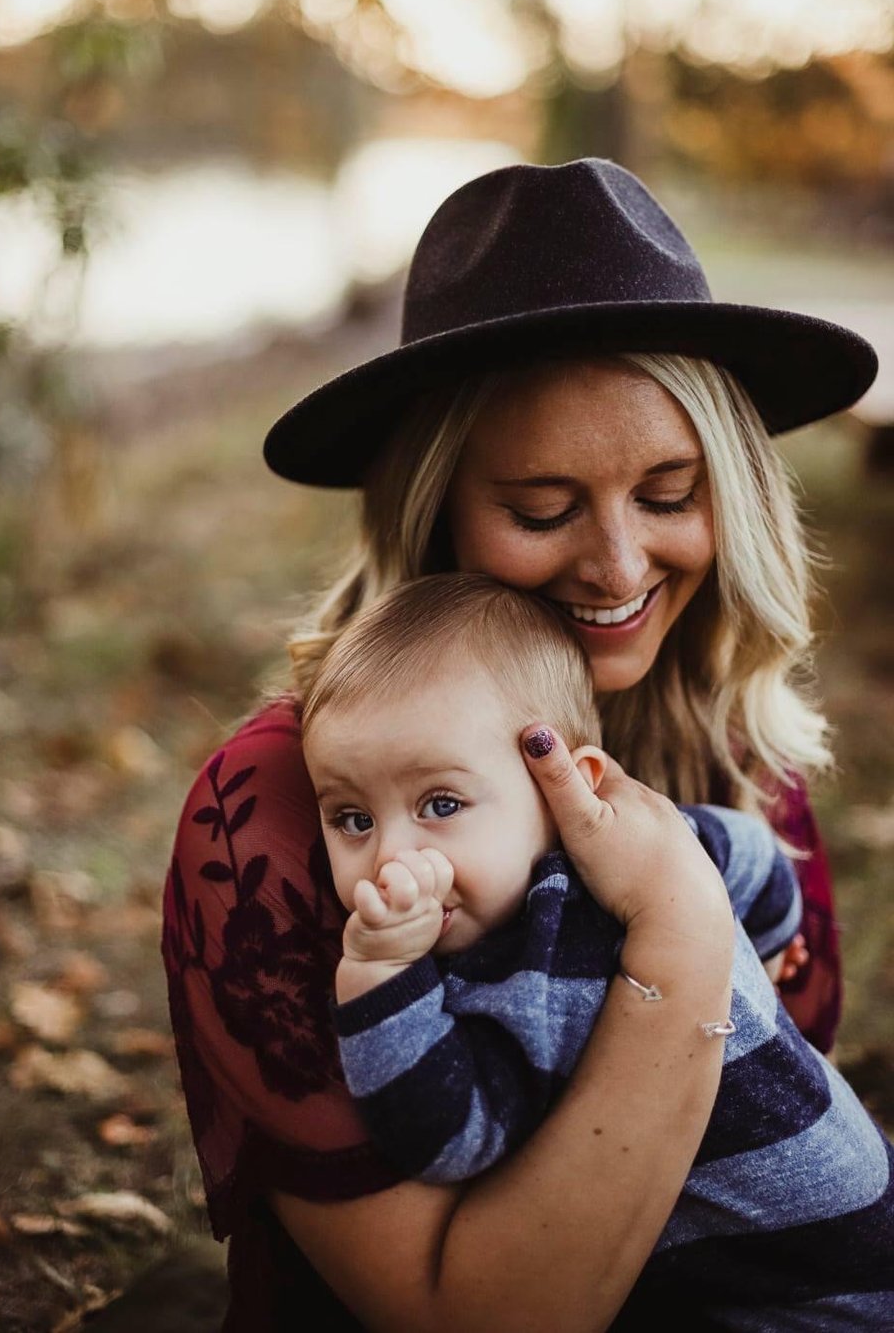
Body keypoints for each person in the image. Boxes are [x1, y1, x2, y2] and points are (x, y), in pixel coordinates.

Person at [162, 158, 879, 1332]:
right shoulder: (281, 813)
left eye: (667, 493)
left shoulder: (752, 768)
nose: (615, 566)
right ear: (434, 506)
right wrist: (681, 931)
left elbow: (771, 1133)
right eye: (542, 511)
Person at [300, 572, 894, 1329]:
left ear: (564, 790)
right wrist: (386, 963)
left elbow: (452, 1139)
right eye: (351, 817)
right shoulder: (615, 871)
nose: (391, 858)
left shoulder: (522, 975)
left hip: (805, 1292)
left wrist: (378, 976)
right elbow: (741, 853)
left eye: (442, 804)